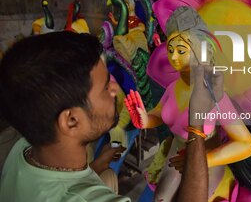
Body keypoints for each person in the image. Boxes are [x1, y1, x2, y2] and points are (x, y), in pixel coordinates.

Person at [0, 31, 211, 202]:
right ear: (71, 120)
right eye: (105, 87)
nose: (114, 89)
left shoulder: (23, 149)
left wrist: (95, 167)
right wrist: (196, 122)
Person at [125, 7, 251, 201]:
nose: (174, 57)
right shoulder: (172, 88)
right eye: (170, 50)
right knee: (160, 199)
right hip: (176, 154)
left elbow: (247, 144)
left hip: (206, 161)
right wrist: (145, 119)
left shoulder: (214, 93)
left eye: (181, 50)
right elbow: (160, 113)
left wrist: (204, 160)